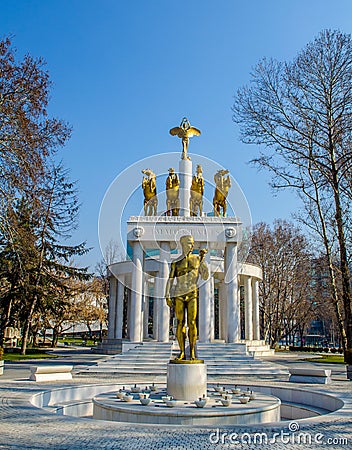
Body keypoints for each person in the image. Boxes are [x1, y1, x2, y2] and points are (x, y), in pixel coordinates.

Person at [165, 235, 209, 361]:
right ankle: (182, 351)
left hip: (192, 293)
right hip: (179, 293)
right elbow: (170, 279)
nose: (191, 246)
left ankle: (193, 351)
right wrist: (167, 294)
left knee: (192, 322)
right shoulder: (176, 262)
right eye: (189, 243)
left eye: (192, 243)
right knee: (180, 323)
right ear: (183, 245)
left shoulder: (197, 259)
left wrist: (203, 260)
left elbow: (205, 276)